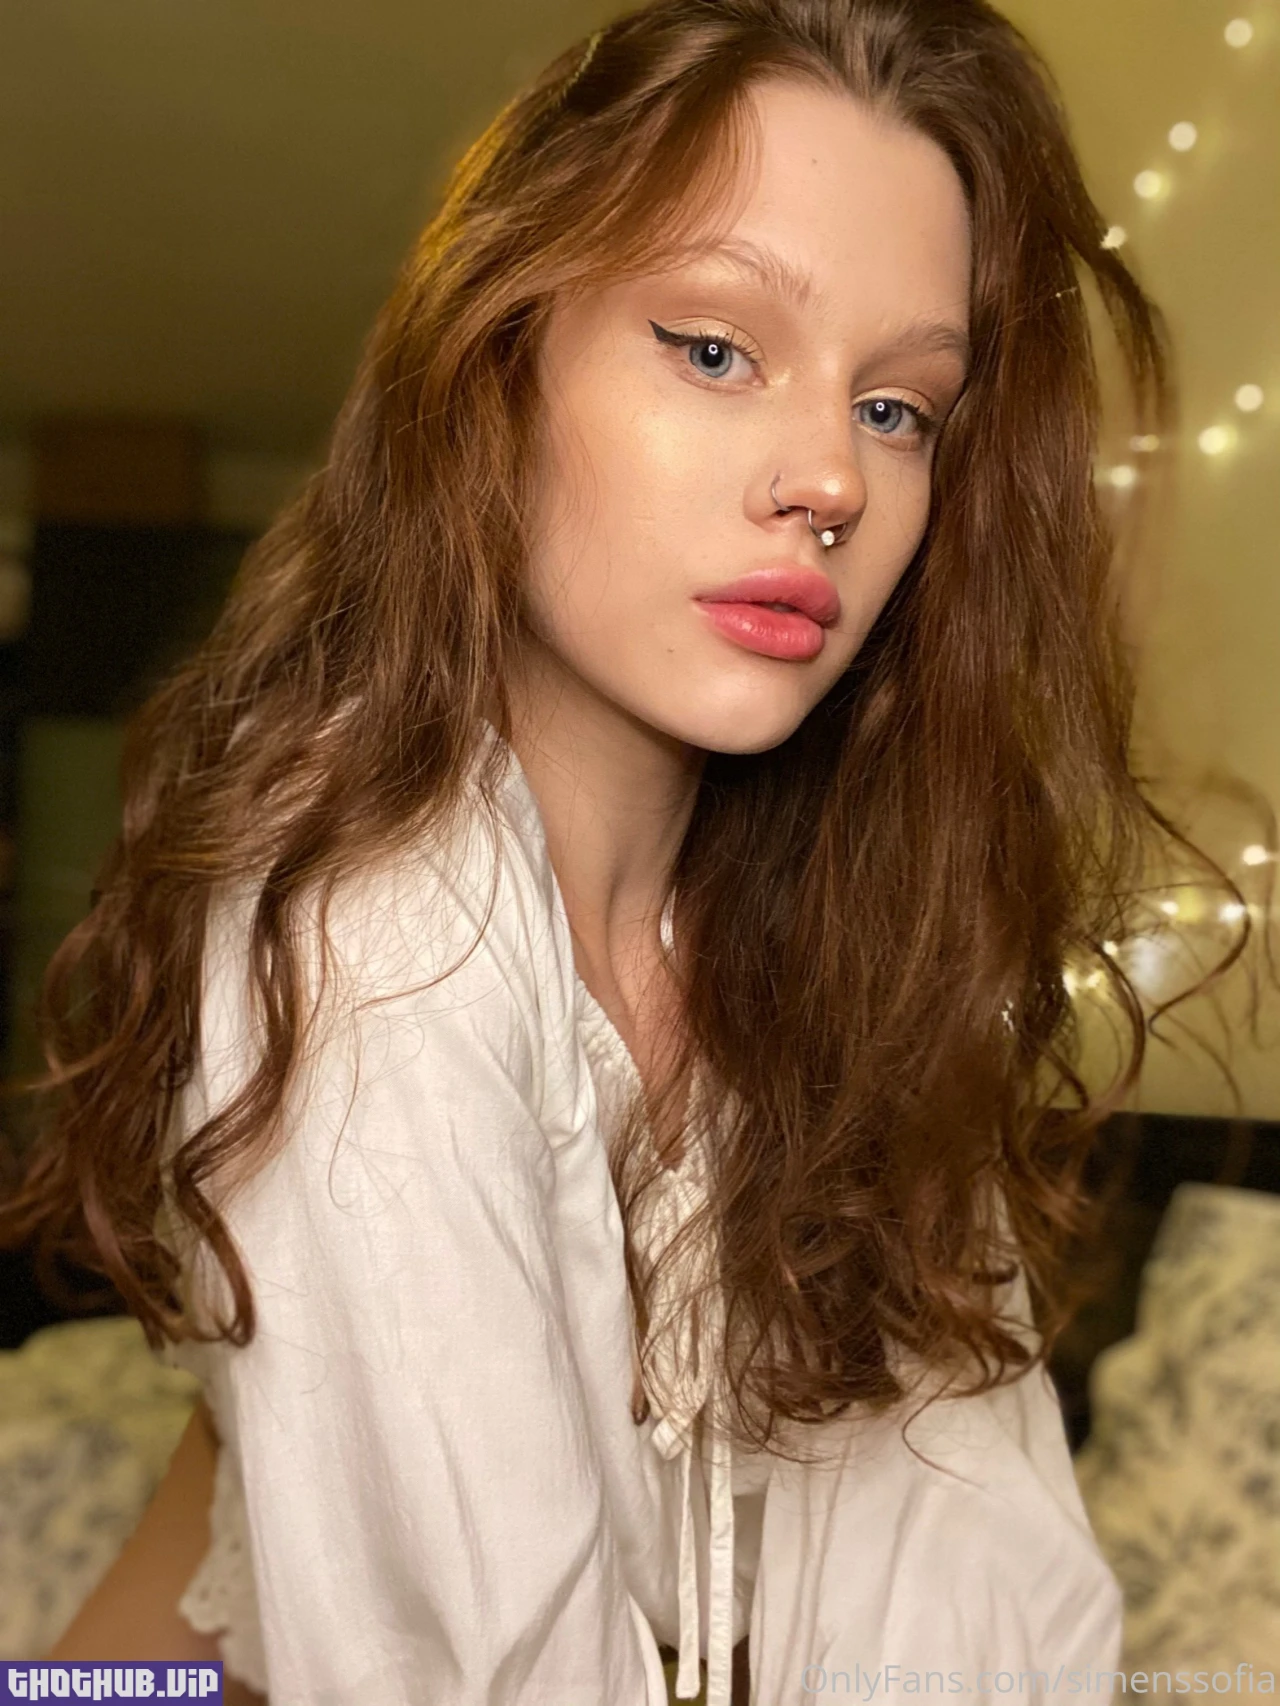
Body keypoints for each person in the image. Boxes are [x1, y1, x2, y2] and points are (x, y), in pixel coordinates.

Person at [3, 0, 1242, 1701]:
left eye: (899, 407)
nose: (829, 477)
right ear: (497, 362)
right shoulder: (379, 924)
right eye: (716, 349)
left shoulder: (841, 938)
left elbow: (977, 1551)